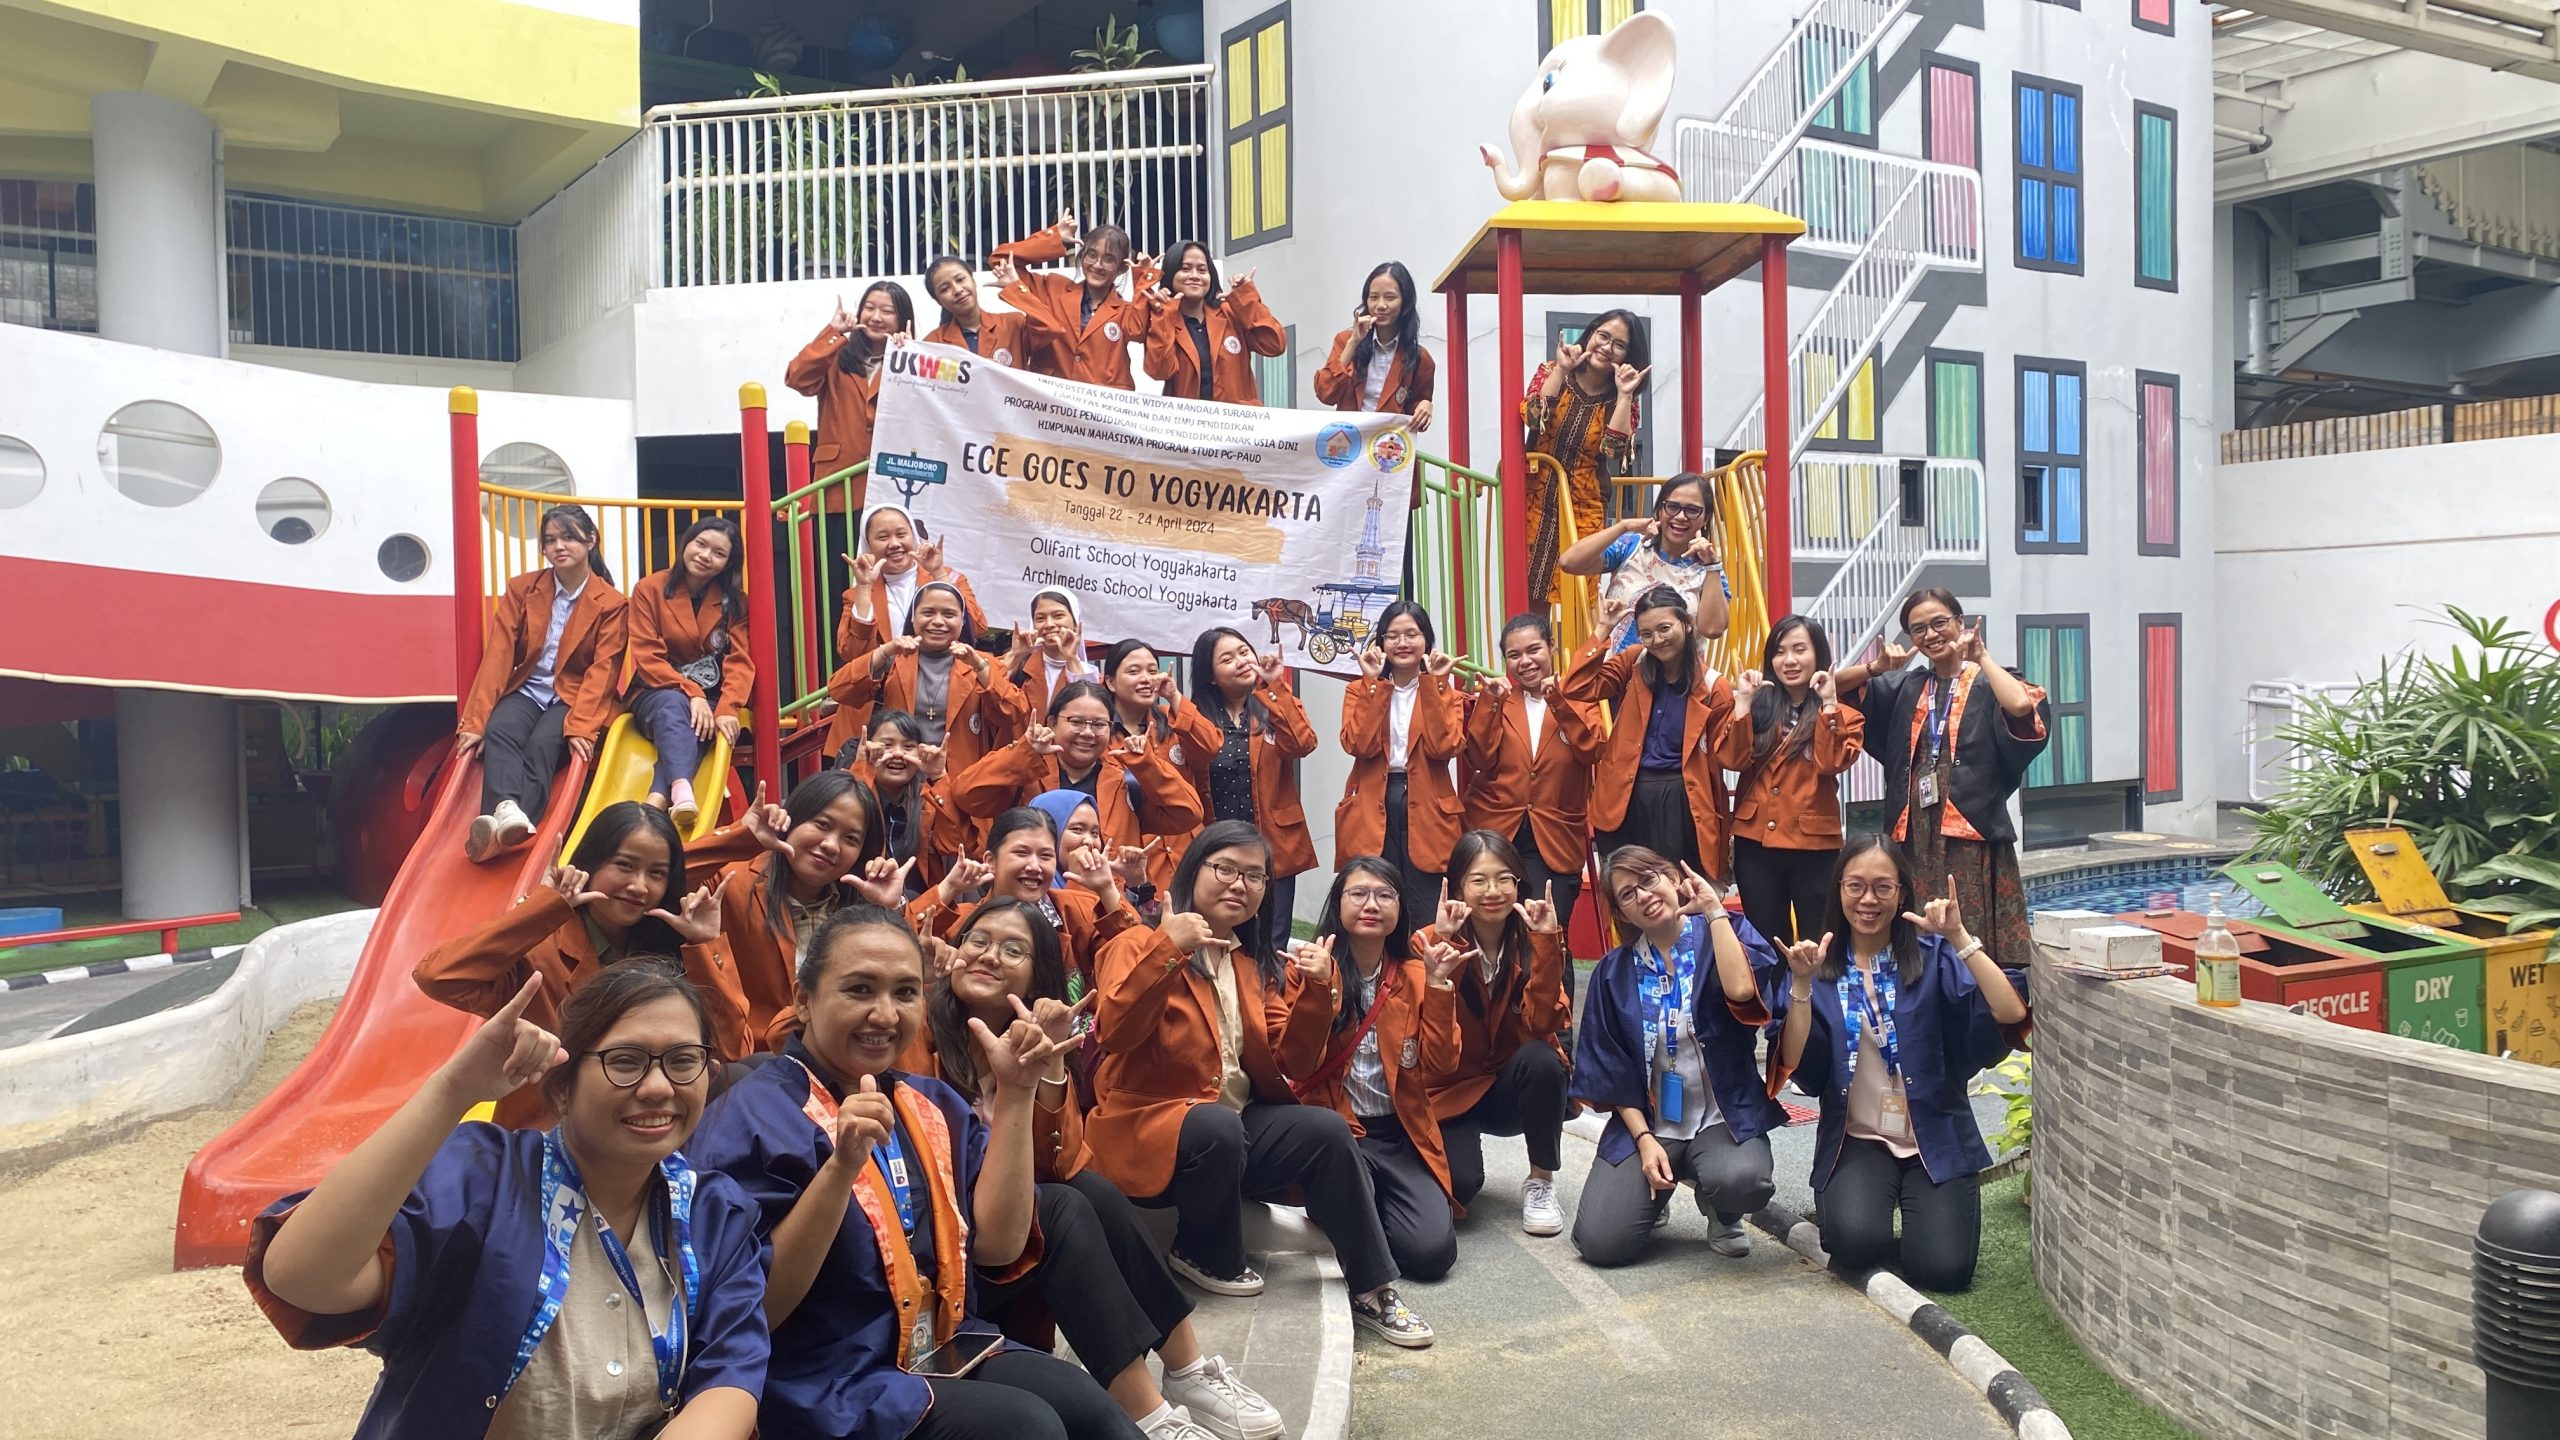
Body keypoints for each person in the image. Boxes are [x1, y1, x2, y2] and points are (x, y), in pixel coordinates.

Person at [245, 966, 768, 1440]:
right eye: (624, 1062)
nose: (657, 1087)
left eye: (682, 1061)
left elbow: (730, 1376)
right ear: (561, 1090)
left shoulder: (715, 1213)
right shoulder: (481, 1178)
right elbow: (301, 1277)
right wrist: (453, 1089)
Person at [688, 905, 1146, 1440]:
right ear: (803, 1000)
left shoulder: (929, 1102)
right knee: (1026, 1428)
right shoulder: (751, 1118)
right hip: (822, 1380)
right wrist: (840, 1170)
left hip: (941, 1346)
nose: (885, 1014)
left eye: (905, 992)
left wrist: (1018, 1093)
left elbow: (999, 1247)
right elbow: (756, 1311)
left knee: (1094, 1413)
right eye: (860, 990)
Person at [924, 899, 1284, 1440]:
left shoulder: (1036, 1039)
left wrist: (1048, 1069)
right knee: (1065, 1205)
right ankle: (1151, 1415)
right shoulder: (919, 1033)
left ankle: (1186, 1371)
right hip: (939, 1254)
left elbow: (1063, 1163)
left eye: (1013, 949)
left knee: (1088, 1190)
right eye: (978, 940)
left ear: (1038, 976)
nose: (990, 956)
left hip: (1000, 1237)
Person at [1085, 823, 1433, 1347]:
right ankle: (1203, 1252)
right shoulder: (1136, 942)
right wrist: (1168, 949)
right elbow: (1115, 1032)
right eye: (1225, 869)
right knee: (1217, 1125)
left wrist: (1318, 989)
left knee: (1326, 1130)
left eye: (1254, 876)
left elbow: (1293, 1058)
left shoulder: (1249, 966)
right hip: (1152, 1130)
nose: (1239, 884)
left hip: (1231, 1131)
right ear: (1192, 870)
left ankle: (1372, 1287)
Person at [1770, 836, 2030, 1291]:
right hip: (1858, 1140)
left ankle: (1926, 1232)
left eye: (1882, 887)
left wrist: (1958, 936)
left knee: (1944, 1271)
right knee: (1852, 1244)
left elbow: (2010, 1013)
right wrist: (1802, 985)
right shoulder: (1816, 966)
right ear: (1838, 890)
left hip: (1934, 1134)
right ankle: (1881, 1221)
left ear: (1901, 893)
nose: (1868, 899)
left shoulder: (1934, 958)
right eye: (1855, 886)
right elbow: (1791, 1061)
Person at [415, 802, 747, 1124]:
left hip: (651, 1126)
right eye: (624, 865)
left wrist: (704, 943)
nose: (639, 886)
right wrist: (543, 906)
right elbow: (438, 977)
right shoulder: (542, 949)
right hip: (552, 1134)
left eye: (656, 873)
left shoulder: (672, 949)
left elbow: (732, 1051)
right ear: (590, 864)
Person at [1569, 847, 1786, 1267]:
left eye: (1649, 880)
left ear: (1672, 878)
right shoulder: (1614, 973)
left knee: (1744, 1181)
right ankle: (1653, 1198)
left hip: (1722, 1118)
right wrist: (1644, 1140)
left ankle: (1722, 1211)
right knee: (1601, 1244)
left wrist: (1715, 911)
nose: (1644, 896)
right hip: (1655, 1124)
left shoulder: (1723, 932)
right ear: (1622, 913)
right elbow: (1612, 1072)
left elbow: (1744, 993)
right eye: (1627, 894)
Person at [1831, 588, 2052, 967]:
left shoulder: (1989, 680)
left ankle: (1980, 996)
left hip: (1969, 828)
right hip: (1913, 831)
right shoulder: (1906, 686)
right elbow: (1828, 688)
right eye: (1918, 629)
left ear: (1959, 622)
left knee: (1971, 933)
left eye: (1939, 623)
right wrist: (1875, 667)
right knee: (1913, 935)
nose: (1931, 635)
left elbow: (2020, 707)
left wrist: (1981, 656)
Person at [1292, 860, 1463, 1282]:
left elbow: (1443, 1064)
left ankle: (1364, 1221)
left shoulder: (1418, 973)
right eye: (1359, 893)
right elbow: (1297, 1063)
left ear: (1400, 909)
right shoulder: (1310, 967)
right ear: (1338, 903)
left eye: (1385, 895)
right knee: (1353, 1221)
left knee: (1432, 1254)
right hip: (1341, 1135)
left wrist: (1439, 987)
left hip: (1400, 1134)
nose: (1372, 904)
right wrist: (1317, 988)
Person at [1420, 831, 1571, 1238]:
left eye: (1504, 879)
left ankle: (1541, 1181)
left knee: (1543, 1058)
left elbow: (1544, 1023)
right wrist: (1444, 943)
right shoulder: (1428, 942)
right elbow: (1432, 1045)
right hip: (1450, 1092)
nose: (1493, 891)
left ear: (1518, 885)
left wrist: (1546, 944)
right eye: (1479, 880)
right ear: (1457, 888)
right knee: (1460, 1187)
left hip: (1509, 1087)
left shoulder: (1535, 938)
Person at [457, 503, 626, 863]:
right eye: (550, 540)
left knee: (544, 743)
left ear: (590, 541)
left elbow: (603, 671)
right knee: (501, 729)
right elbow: (499, 655)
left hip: (573, 695)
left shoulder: (611, 603)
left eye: (568, 538)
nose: (558, 546)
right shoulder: (523, 589)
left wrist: (583, 726)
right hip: (530, 688)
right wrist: (475, 722)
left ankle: (508, 826)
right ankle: (506, 812)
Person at [709, 771, 918, 1052]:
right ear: (792, 819)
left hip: (844, 1057)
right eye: (822, 825)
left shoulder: (859, 905)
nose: (831, 845)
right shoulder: (731, 881)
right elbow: (666, 874)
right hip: (750, 1059)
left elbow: (909, 980)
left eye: (851, 839)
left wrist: (889, 908)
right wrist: (741, 836)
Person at [1463, 613, 1604, 982]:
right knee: (1494, 936)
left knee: (1549, 936)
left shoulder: (1579, 697)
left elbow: (1591, 749)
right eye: (1514, 655)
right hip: (1497, 832)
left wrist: (1556, 697)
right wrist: (1489, 703)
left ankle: (1557, 1019)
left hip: (1554, 836)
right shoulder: (1499, 698)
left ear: (1551, 648)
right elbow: (1478, 757)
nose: (1524, 661)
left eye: (1533, 650)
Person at [1563, 584, 1734, 881]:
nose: (1657, 640)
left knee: (1674, 889)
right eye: (1647, 633)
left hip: (1680, 798)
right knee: (1624, 889)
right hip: (1624, 795)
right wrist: (1603, 628)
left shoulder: (1713, 685)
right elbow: (1576, 687)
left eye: (1665, 628)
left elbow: (1728, 756)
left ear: (1687, 623)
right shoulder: (1634, 661)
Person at [1718, 616, 1864, 945]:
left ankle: (1815, 984)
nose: (1789, 660)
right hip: (1755, 843)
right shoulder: (1756, 706)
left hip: (1814, 845)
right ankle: (1771, 984)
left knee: (1820, 939)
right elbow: (1731, 759)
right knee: (1765, 941)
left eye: (1800, 649)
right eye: (1780, 651)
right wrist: (1743, 701)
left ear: (1818, 654)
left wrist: (1829, 703)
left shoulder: (1845, 716)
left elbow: (1831, 762)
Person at [953, 681, 1203, 857]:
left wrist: (1147, 765)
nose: (1087, 732)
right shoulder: (1024, 775)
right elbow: (967, 795)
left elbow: (1188, 814)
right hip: (1033, 899)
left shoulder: (1126, 784)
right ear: (1052, 722)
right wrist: (1024, 752)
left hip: (1106, 905)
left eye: (1098, 724)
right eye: (1076, 722)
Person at [913, 805, 1144, 994]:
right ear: (990, 861)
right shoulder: (962, 920)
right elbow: (905, 947)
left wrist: (1107, 889)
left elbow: (1136, 951)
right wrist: (948, 888)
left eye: (1045, 856)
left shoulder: (1077, 911)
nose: (1034, 866)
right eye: (1021, 853)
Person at [1182, 627, 1319, 940]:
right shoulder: (1196, 717)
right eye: (1227, 659)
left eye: (1244, 652)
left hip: (1272, 842)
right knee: (1218, 934)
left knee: (1273, 937)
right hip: (1217, 844)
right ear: (1211, 675)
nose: (1241, 661)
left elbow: (1303, 744)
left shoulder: (1272, 704)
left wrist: (1275, 685)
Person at [1335, 600, 1464, 932]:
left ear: (1426, 640)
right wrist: (1373, 685)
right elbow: (1358, 745)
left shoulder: (1446, 691)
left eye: (1411, 634)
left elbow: (1443, 748)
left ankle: (1427, 964)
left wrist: (1436, 685)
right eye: (1392, 636)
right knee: (1374, 899)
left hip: (1428, 803)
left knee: (1427, 909)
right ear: (1381, 642)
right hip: (1372, 801)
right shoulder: (1360, 689)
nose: (1402, 643)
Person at [827, 580, 1027, 790]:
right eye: (928, 613)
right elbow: (839, 690)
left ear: (962, 622)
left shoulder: (983, 663)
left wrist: (979, 666)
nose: (938, 621)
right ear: (913, 618)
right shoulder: (894, 659)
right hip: (897, 779)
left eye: (949, 614)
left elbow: (1014, 713)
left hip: (958, 782)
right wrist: (884, 651)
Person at [825, 504, 988, 759]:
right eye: (882, 537)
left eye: (901, 534)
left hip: (941, 695)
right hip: (880, 709)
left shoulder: (949, 578)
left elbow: (975, 627)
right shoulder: (857, 593)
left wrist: (937, 572)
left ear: (914, 535)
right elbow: (854, 654)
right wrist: (864, 588)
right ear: (868, 545)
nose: (894, 544)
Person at [626, 516, 754, 824]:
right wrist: (692, 692)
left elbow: (739, 660)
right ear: (686, 543)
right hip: (657, 689)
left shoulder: (736, 603)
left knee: (704, 721)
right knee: (675, 705)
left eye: (718, 553)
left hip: (710, 698)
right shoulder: (649, 588)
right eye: (701, 544)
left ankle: (658, 798)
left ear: (728, 564)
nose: (706, 555)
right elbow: (648, 656)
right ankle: (681, 789)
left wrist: (728, 707)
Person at [1521, 309, 1647, 603]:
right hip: (1534, 495)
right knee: (1530, 586)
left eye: (1619, 345)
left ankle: (1584, 637)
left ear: (1627, 356)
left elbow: (1612, 451)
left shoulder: (1624, 399)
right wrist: (1562, 370)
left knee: (1580, 591)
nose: (1607, 347)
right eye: (1603, 336)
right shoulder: (1553, 370)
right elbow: (1533, 417)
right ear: (1591, 334)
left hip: (1584, 502)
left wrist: (1625, 395)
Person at [1554, 471, 1730, 649]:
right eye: (1672, 507)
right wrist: (1623, 527)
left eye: (1692, 510)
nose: (1680, 516)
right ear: (1660, 510)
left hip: (1681, 667)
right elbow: (1569, 562)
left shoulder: (1709, 569)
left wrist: (1711, 565)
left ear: (1706, 518)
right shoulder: (1631, 546)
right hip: (1617, 665)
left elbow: (1713, 629)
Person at [786, 279, 915, 514]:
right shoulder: (836, 356)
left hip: (890, 487)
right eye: (869, 308)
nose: (876, 317)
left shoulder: (912, 363)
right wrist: (833, 332)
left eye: (887, 311)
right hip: (836, 485)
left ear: (903, 319)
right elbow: (797, 378)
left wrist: (910, 356)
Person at [992, 210, 1160, 389]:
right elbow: (1001, 259)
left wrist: (1143, 278)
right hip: (1050, 399)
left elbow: (1137, 331)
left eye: (1108, 259)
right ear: (1081, 256)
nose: (1098, 265)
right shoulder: (1052, 289)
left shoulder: (1125, 311)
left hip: (1100, 403)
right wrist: (1054, 236)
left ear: (1121, 268)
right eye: (1091, 255)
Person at [847, 708, 974, 895]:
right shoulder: (849, 786)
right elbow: (847, 822)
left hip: (921, 904)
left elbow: (958, 844)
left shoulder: (928, 799)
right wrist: (862, 768)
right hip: (863, 900)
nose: (898, 754)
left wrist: (939, 777)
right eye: (887, 745)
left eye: (908, 747)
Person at [1142, 242, 1286, 405]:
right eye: (1185, 269)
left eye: (1202, 270)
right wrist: (1164, 316)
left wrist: (1246, 299)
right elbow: (1159, 371)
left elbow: (1275, 345)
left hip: (1237, 419)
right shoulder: (1163, 318)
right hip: (1188, 420)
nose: (1195, 276)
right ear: (1170, 275)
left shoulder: (1232, 313)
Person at [1311, 262, 1436, 430]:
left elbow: (1416, 421)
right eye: (1374, 297)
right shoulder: (1345, 340)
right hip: (1347, 440)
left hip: (1388, 443)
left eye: (1390, 297)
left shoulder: (1420, 358)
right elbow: (1325, 394)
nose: (1381, 305)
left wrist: (1426, 405)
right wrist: (1353, 342)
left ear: (1405, 302)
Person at [1012, 586, 1101, 717]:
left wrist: (1072, 659)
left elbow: (1089, 713)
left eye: (1058, 616)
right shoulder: (1018, 669)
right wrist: (1014, 656)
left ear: (1075, 622)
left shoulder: (1090, 675)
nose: (1049, 624)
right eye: (1040, 618)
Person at [923, 255, 1029, 365]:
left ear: (973, 280)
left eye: (960, 280)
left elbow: (1042, 330)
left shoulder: (1014, 324)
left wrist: (1016, 288)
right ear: (938, 301)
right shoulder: (932, 344)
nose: (957, 290)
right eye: (945, 289)